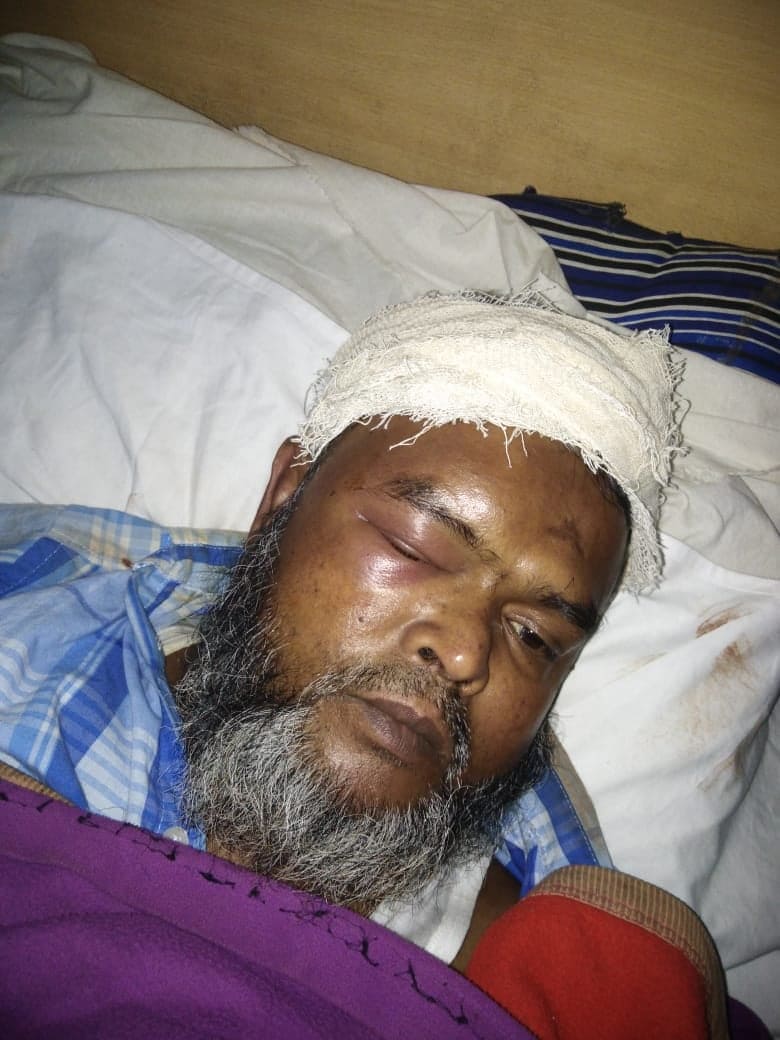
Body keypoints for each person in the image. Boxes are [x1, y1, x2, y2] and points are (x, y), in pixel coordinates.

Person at [0, 291, 677, 955]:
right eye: (413, 547)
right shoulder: (30, 640)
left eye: (534, 636)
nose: (465, 652)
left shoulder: (554, 961)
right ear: (283, 498)